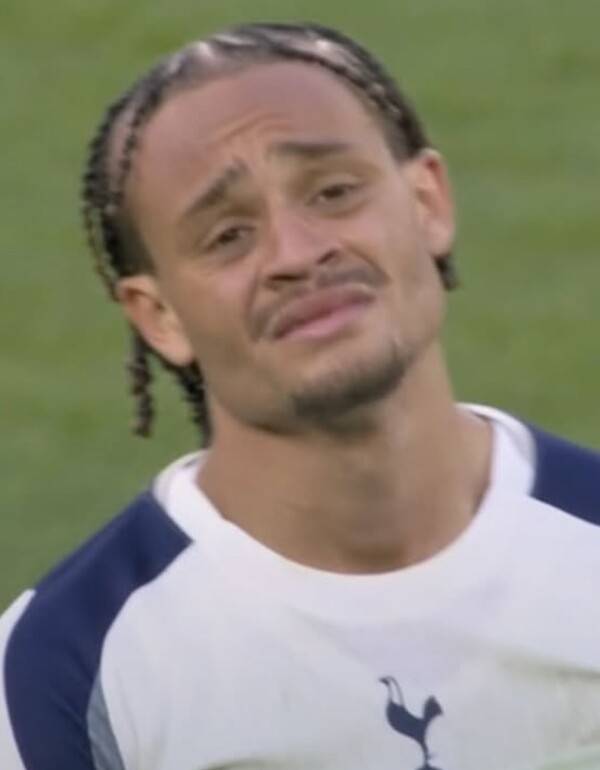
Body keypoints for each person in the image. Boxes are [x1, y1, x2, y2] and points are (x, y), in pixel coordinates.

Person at [1, 21, 599, 770]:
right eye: (227, 236)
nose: (298, 252)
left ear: (427, 203)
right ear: (159, 316)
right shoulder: (64, 672)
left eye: (335, 192)